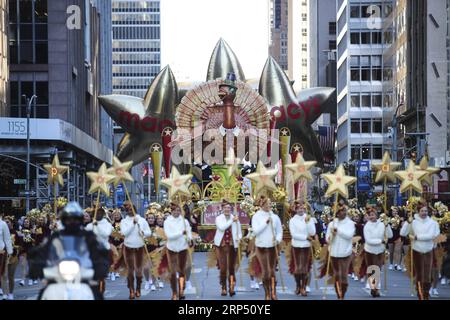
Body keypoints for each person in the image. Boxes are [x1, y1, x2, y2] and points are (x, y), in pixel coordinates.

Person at [27, 202, 110, 300]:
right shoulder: (56, 236)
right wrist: (36, 264)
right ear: (63, 220)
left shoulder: (88, 236)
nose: (72, 221)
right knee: (42, 294)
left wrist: (101, 265)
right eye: (69, 219)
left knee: (97, 294)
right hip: (58, 275)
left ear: (80, 220)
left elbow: (99, 251)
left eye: (75, 219)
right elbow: (43, 250)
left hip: (82, 274)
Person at [400, 200, 440, 300]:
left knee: (427, 274)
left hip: (428, 251)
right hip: (416, 250)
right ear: (418, 212)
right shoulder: (413, 222)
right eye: (422, 211)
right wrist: (407, 223)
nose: (424, 213)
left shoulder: (433, 223)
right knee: (419, 274)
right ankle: (420, 294)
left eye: (425, 211)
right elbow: (403, 233)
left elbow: (432, 235)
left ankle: (426, 292)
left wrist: (417, 237)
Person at [251, 196, 282, 300]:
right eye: (268, 203)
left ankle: (273, 291)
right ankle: (267, 292)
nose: (269, 205)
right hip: (261, 247)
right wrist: (265, 223)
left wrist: (277, 240)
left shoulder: (275, 217)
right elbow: (255, 231)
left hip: (272, 247)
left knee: (272, 271)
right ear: (262, 204)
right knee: (265, 271)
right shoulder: (256, 216)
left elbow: (279, 231)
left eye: (270, 203)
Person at [120, 201, 152, 300]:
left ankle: (138, 288)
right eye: (128, 210)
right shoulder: (124, 221)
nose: (130, 211)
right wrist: (133, 224)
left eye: (132, 209)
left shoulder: (142, 220)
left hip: (140, 248)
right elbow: (124, 233)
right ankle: (131, 290)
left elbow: (149, 232)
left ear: (135, 209)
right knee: (130, 270)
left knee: (138, 270)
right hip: (128, 247)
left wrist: (144, 233)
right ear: (126, 211)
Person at [325, 204, 355, 300]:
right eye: (341, 211)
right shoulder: (331, 224)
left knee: (343, 275)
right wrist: (332, 235)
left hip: (345, 253)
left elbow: (349, 235)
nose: (344, 212)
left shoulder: (350, 223)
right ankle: (339, 295)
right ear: (337, 213)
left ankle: (343, 294)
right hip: (334, 253)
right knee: (337, 275)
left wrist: (338, 231)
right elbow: (327, 239)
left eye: (345, 210)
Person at [164, 202, 193, 300]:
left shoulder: (185, 221)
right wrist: (180, 233)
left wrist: (189, 239)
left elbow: (189, 233)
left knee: (181, 270)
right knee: (172, 272)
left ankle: (181, 290)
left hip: (183, 248)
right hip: (171, 249)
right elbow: (169, 236)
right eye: (175, 210)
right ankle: (174, 292)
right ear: (171, 211)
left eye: (179, 210)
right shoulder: (167, 222)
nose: (177, 212)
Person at [214, 200, 242, 296]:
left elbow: (239, 232)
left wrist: (239, 237)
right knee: (223, 268)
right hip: (221, 246)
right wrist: (232, 220)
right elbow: (221, 227)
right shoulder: (219, 218)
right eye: (225, 208)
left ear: (231, 209)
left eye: (229, 208)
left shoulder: (235, 218)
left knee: (231, 267)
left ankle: (231, 287)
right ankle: (223, 287)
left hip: (232, 245)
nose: (227, 209)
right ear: (222, 209)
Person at [363, 207, 393, 297]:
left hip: (380, 250)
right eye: (370, 215)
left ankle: (375, 288)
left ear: (376, 215)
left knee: (377, 269)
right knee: (372, 269)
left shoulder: (382, 224)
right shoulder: (367, 226)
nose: (372, 217)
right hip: (369, 250)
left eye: (373, 215)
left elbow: (390, 235)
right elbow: (368, 240)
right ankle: (374, 287)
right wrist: (380, 241)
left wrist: (387, 226)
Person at [288, 201, 316, 296]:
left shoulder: (308, 218)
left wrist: (308, 223)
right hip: (296, 246)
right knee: (297, 269)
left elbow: (312, 232)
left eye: (303, 208)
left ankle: (303, 286)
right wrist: (305, 237)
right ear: (296, 210)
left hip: (306, 246)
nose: (301, 210)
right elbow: (293, 234)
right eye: (299, 208)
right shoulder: (292, 220)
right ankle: (298, 285)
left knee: (304, 268)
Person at [85, 208, 113, 295]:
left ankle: (101, 291)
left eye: (100, 213)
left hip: (104, 251)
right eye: (96, 213)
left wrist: (97, 226)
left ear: (103, 214)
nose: (98, 215)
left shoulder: (107, 224)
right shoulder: (90, 226)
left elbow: (106, 234)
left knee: (101, 274)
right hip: (92, 252)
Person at [1, 216, 20, 300]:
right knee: (3, 275)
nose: (6, 223)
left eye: (8, 222)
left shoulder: (16, 233)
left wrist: (14, 250)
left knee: (10, 276)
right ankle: (4, 293)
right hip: (3, 255)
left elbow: (21, 245)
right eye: (5, 221)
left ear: (12, 223)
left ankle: (11, 293)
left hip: (13, 257)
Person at [0, 212, 13, 299]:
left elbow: (7, 239)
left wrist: (10, 253)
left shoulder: (3, 224)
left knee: (2, 273)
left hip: (1, 252)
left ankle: (5, 292)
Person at [109, 209, 123, 281]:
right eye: (115, 215)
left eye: (118, 215)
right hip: (113, 241)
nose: (116, 216)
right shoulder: (111, 223)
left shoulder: (123, 223)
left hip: (121, 241)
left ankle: (117, 270)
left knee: (119, 256)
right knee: (114, 255)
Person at [387, 206, 403, 271]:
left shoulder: (400, 219)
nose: (395, 212)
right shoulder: (389, 219)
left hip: (398, 236)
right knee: (391, 251)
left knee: (399, 251)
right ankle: (391, 264)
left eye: (396, 211)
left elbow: (402, 227)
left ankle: (398, 264)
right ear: (392, 212)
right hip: (391, 236)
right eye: (394, 211)